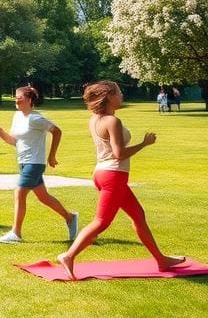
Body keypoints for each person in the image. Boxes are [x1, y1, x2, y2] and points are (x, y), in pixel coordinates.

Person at [56, 80, 185, 281]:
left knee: (138, 215)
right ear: (108, 96)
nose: (122, 95)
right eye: (119, 92)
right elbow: (119, 153)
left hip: (102, 173)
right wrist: (144, 143)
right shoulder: (112, 121)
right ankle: (68, 255)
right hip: (113, 175)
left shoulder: (95, 119)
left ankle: (161, 260)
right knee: (101, 221)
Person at [0, 85, 78, 243]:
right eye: (16, 96)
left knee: (19, 193)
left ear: (30, 100)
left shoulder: (35, 118)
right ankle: (70, 217)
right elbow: (14, 141)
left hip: (35, 163)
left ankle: (16, 233)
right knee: (43, 197)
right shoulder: (17, 116)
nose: (16, 99)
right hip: (23, 162)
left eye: (20, 97)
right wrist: (2, 134)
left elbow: (57, 131)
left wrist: (52, 156)